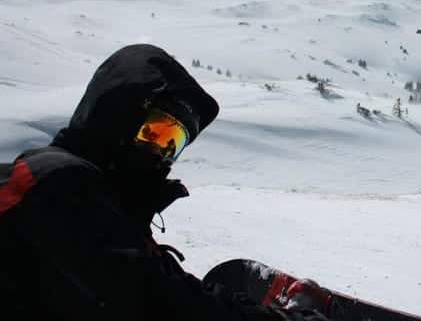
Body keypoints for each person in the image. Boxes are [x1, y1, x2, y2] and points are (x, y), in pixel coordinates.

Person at [0, 44, 329, 320]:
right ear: (116, 116)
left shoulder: (103, 204)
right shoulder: (56, 183)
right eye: (155, 132)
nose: (162, 152)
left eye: (174, 140)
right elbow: (156, 300)